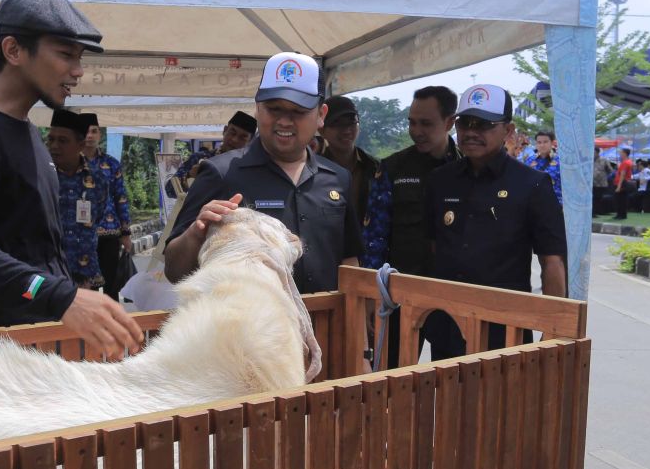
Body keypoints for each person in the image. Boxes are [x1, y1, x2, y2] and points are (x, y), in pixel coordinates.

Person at [0, 0, 142, 356]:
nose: (78, 71)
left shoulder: (25, 130)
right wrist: (59, 296)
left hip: (38, 346)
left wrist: (67, 299)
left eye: (80, 57)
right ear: (13, 50)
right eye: (66, 54)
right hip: (4, 358)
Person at [163, 52, 362, 295]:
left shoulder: (338, 179)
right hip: (250, 330)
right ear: (258, 108)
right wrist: (196, 233)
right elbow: (174, 272)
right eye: (274, 109)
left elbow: (349, 260)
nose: (285, 121)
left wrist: (358, 323)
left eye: (298, 111)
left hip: (323, 328)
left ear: (320, 115)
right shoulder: (221, 174)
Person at [423, 85, 567, 360]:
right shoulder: (440, 180)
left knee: (500, 403)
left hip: (504, 330)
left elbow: (552, 261)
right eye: (465, 123)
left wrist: (553, 327)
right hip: (448, 323)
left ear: (508, 131)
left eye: (484, 124)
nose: (471, 132)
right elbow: (433, 247)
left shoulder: (532, 185)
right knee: (448, 402)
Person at [379, 85, 460, 367]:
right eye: (412, 122)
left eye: (426, 123)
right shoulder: (392, 169)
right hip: (401, 298)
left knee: (454, 382)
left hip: (451, 299)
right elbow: (375, 239)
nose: (416, 131)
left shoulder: (467, 170)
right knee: (391, 382)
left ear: (450, 122)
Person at [318, 95, 390, 269]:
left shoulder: (376, 168)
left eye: (351, 122)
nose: (346, 130)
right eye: (337, 124)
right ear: (321, 129)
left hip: (371, 260)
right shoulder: (312, 171)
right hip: (327, 257)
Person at [48, 110, 106, 289]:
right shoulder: (40, 175)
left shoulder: (97, 178)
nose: (54, 146)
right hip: (48, 273)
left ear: (80, 144)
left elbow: (98, 215)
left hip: (85, 273)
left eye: (63, 140)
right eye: (51, 139)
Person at [79, 112, 133, 299]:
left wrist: (126, 233)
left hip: (110, 233)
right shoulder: (70, 164)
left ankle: (112, 323)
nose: (90, 136)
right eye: (86, 132)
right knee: (87, 284)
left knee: (111, 283)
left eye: (94, 131)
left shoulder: (111, 164)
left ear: (100, 135)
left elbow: (121, 198)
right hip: (81, 235)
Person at [165, 111, 257, 196]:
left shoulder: (251, 167)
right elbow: (169, 190)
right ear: (225, 130)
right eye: (232, 133)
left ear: (251, 141)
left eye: (242, 137)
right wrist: (189, 176)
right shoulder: (199, 158)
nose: (234, 139)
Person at [527, 130, 563, 205]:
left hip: (555, 204)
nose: (542, 145)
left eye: (545, 142)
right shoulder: (530, 160)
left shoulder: (561, 161)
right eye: (539, 142)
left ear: (552, 143)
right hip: (534, 204)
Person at [613, 147, 634, 219]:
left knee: (621, 200)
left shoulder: (625, 163)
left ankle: (621, 215)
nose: (620, 154)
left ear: (625, 153)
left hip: (622, 183)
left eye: (621, 152)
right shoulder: (628, 162)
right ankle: (620, 214)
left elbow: (623, 174)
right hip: (623, 183)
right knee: (621, 200)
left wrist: (619, 186)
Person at [592, 147, 613, 216]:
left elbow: (610, 170)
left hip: (602, 183)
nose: (593, 154)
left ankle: (600, 211)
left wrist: (604, 175)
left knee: (599, 197)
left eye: (594, 152)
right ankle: (594, 212)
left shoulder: (604, 160)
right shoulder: (590, 160)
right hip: (592, 183)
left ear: (598, 153)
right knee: (594, 198)